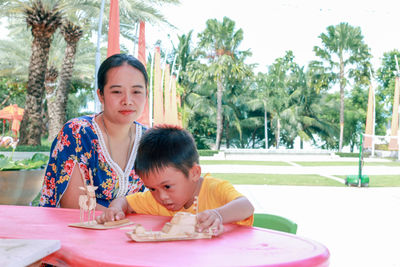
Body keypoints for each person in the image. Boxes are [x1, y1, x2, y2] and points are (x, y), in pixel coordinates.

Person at [96, 125, 254, 235]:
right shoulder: (156, 199)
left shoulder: (214, 189)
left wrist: (218, 215)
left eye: (167, 186)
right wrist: (115, 209)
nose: (161, 196)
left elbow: (246, 206)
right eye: (152, 189)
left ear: (194, 173)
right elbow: (125, 202)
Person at [39, 54, 148, 210]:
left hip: (131, 232)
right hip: (78, 230)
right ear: (101, 95)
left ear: (146, 94)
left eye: (136, 92)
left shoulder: (150, 140)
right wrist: (122, 221)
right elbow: (74, 204)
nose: (127, 100)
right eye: (117, 92)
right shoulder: (77, 133)